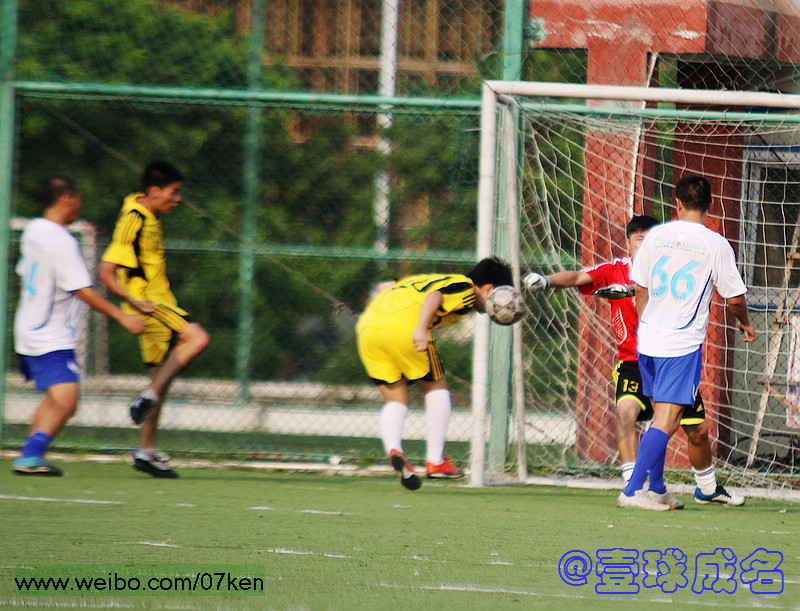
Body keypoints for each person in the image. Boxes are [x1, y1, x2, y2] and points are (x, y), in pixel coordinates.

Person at [524, 215, 744, 510]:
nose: (642, 240)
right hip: (633, 361)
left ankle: (706, 487)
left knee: (697, 430)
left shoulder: (669, 270)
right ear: (627, 242)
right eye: (636, 236)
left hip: (671, 356)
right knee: (627, 413)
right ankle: (634, 484)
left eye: (648, 235)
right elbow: (577, 277)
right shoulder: (614, 270)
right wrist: (547, 281)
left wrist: (635, 292)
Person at [620, 175, 756, 510]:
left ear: (676, 202)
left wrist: (649, 326)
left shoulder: (656, 236)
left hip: (648, 341)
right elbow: (735, 299)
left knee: (661, 418)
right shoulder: (715, 244)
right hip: (679, 345)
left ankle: (657, 487)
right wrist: (744, 322)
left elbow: (640, 289)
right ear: (710, 204)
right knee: (667, 420)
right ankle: (632, 491)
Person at [13, 177, 146, 476]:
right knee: (67, 401)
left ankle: (30, 455)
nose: (79, 207)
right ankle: (30, 457)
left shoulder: (34, 230)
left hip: (28, 328)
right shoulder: (61, 239)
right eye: (79, 200)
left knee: (55, 399)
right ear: (67, 199)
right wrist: (122, 316)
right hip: (49, 334)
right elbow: (81, 289)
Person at [356, 257, 514, 490]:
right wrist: (421, 329)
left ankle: (394, 450)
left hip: (368, 328)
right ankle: (435, 462)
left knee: (395, 398)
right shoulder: (466, 287)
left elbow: (384, 287)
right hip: (407, 328)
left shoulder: (427, 278)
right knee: (436, 390)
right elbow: (435, 296)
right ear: (489, 288)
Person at [98, 161, 209, 479]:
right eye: (173, 193)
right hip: (150, 305)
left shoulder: (148, 216)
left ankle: (145, 451)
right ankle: (147, 397)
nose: (178, 199)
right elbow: (105, 272)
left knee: (162, 378)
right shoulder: (133, 219)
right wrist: (133, 303)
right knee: (198, 338)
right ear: (153, 190)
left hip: (158, 303)